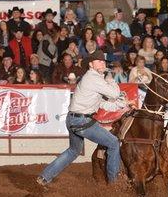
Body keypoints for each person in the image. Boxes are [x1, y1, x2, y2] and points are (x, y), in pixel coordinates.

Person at [36, 50, 131, 187]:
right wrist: (110, 77)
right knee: (114, 143)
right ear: (91, 65)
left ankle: (44, 177)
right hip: (82, 121)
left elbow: (102, 104)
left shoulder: (92, 79)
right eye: (99, 61)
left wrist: (122, 104)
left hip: (73, 119)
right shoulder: (94, 78)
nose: (102, 63)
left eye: (103, 61)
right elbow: (115, 93)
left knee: (73, 151)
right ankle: (114, 182)